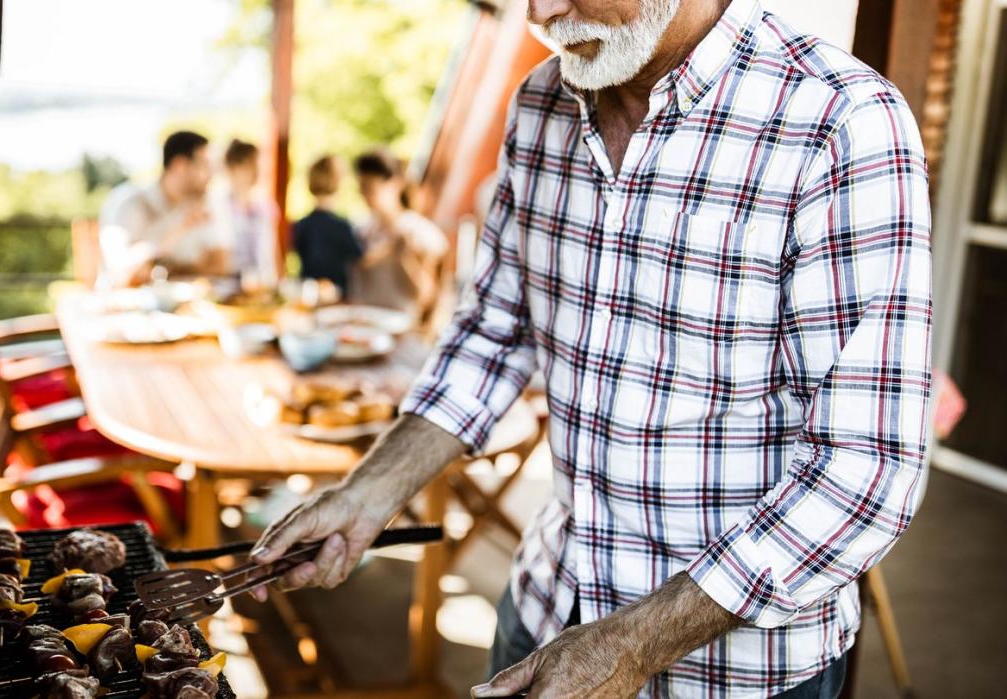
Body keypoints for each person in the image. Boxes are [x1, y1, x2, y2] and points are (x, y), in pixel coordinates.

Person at [247, 1, 933, 698]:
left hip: (736, 670)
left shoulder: (840, 120)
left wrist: (632, 643)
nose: (541, 13)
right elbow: (492, 334)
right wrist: (369, 492)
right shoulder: (540, 103)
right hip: (548, 605)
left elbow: (866, 470)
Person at [98, 130, 232, 287]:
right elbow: (120, 274)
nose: (210, 175)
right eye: (204, 166)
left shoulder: (205, 204)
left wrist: (164, 270)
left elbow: (219, 267)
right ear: (179, 165)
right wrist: (176, 233)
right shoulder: (128, 202)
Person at [350, 149, 448, 317]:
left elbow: (429, 296)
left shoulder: (421, 233)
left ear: (395, 184)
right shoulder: (361, 229)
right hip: (362, 325)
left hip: (400, 329)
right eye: (361, 188)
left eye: (370, 188)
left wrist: (403, 257)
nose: (364, 195)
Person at [291, 155, 362, 294]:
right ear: (338, 182)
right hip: (338, 298)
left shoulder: (300, 225)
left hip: (307, 294)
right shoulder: (343, 227)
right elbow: (359, 260)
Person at [224, 139, 278, 287]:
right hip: (227, 285)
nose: (255, 172)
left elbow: (272, 253)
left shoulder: (265, 206)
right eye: (248, 165)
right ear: (232, 168)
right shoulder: (220, 207)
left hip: (261, 285)